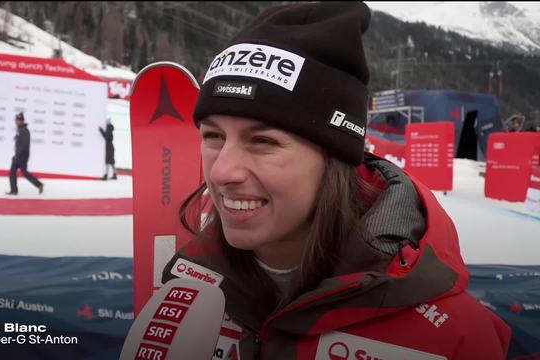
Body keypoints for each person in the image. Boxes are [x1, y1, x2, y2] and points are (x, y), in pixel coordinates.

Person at [161, 2, 511, 359]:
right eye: (213, 136)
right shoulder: (186, 287)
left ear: (334, 159)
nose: (221, 171)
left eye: (263, 141)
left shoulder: (453, 334)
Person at [6, 112, 44, 195]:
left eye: (17, 120)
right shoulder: (20, 129)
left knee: (25, 173)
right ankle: (14, 190)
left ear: (21, 121)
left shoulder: (25, 131)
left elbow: (25, 145)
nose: (15, 122)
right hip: (17, 156)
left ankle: (39, 184)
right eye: (15, 120)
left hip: (22, 156)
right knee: (12, 173)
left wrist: (18, 154)